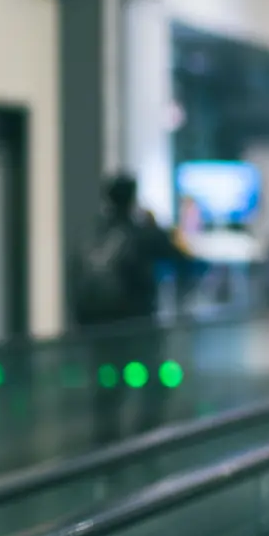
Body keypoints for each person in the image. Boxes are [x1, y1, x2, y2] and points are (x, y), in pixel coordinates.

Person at [73, 172, 190, 443]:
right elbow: (183, 259)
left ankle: (105, 442)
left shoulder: (96, 233)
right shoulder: (142, 233)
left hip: (99, 326)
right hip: (138, 325)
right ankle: (144, 441)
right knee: (151, 382)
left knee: (107, 386)